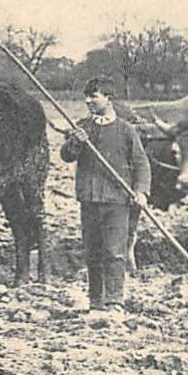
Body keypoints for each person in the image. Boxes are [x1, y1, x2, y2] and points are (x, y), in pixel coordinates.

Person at [61, 76, 151, 312]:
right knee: (92, 253)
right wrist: (76, 143)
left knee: (114, 252)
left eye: (94, 96)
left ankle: (114, 301)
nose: (88, 101)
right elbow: (67, 156)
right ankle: (95, 301)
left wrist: (141, 191)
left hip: (117, 201)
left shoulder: (125, 130)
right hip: (89, 200)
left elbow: (141, 163)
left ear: (108, 98)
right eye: (87, 96)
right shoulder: (83, 127)